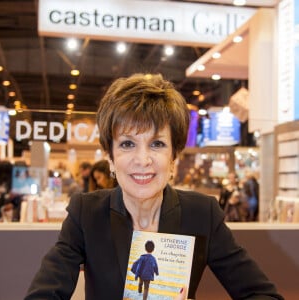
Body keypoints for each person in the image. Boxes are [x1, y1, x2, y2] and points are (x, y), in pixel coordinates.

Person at [24, 73, 284, 300]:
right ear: (110, 158)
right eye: (127, 144)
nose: (143, 160)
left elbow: (264, 295)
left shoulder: (202, 214)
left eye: (157, 144)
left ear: (174, 158)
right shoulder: (86, 213)